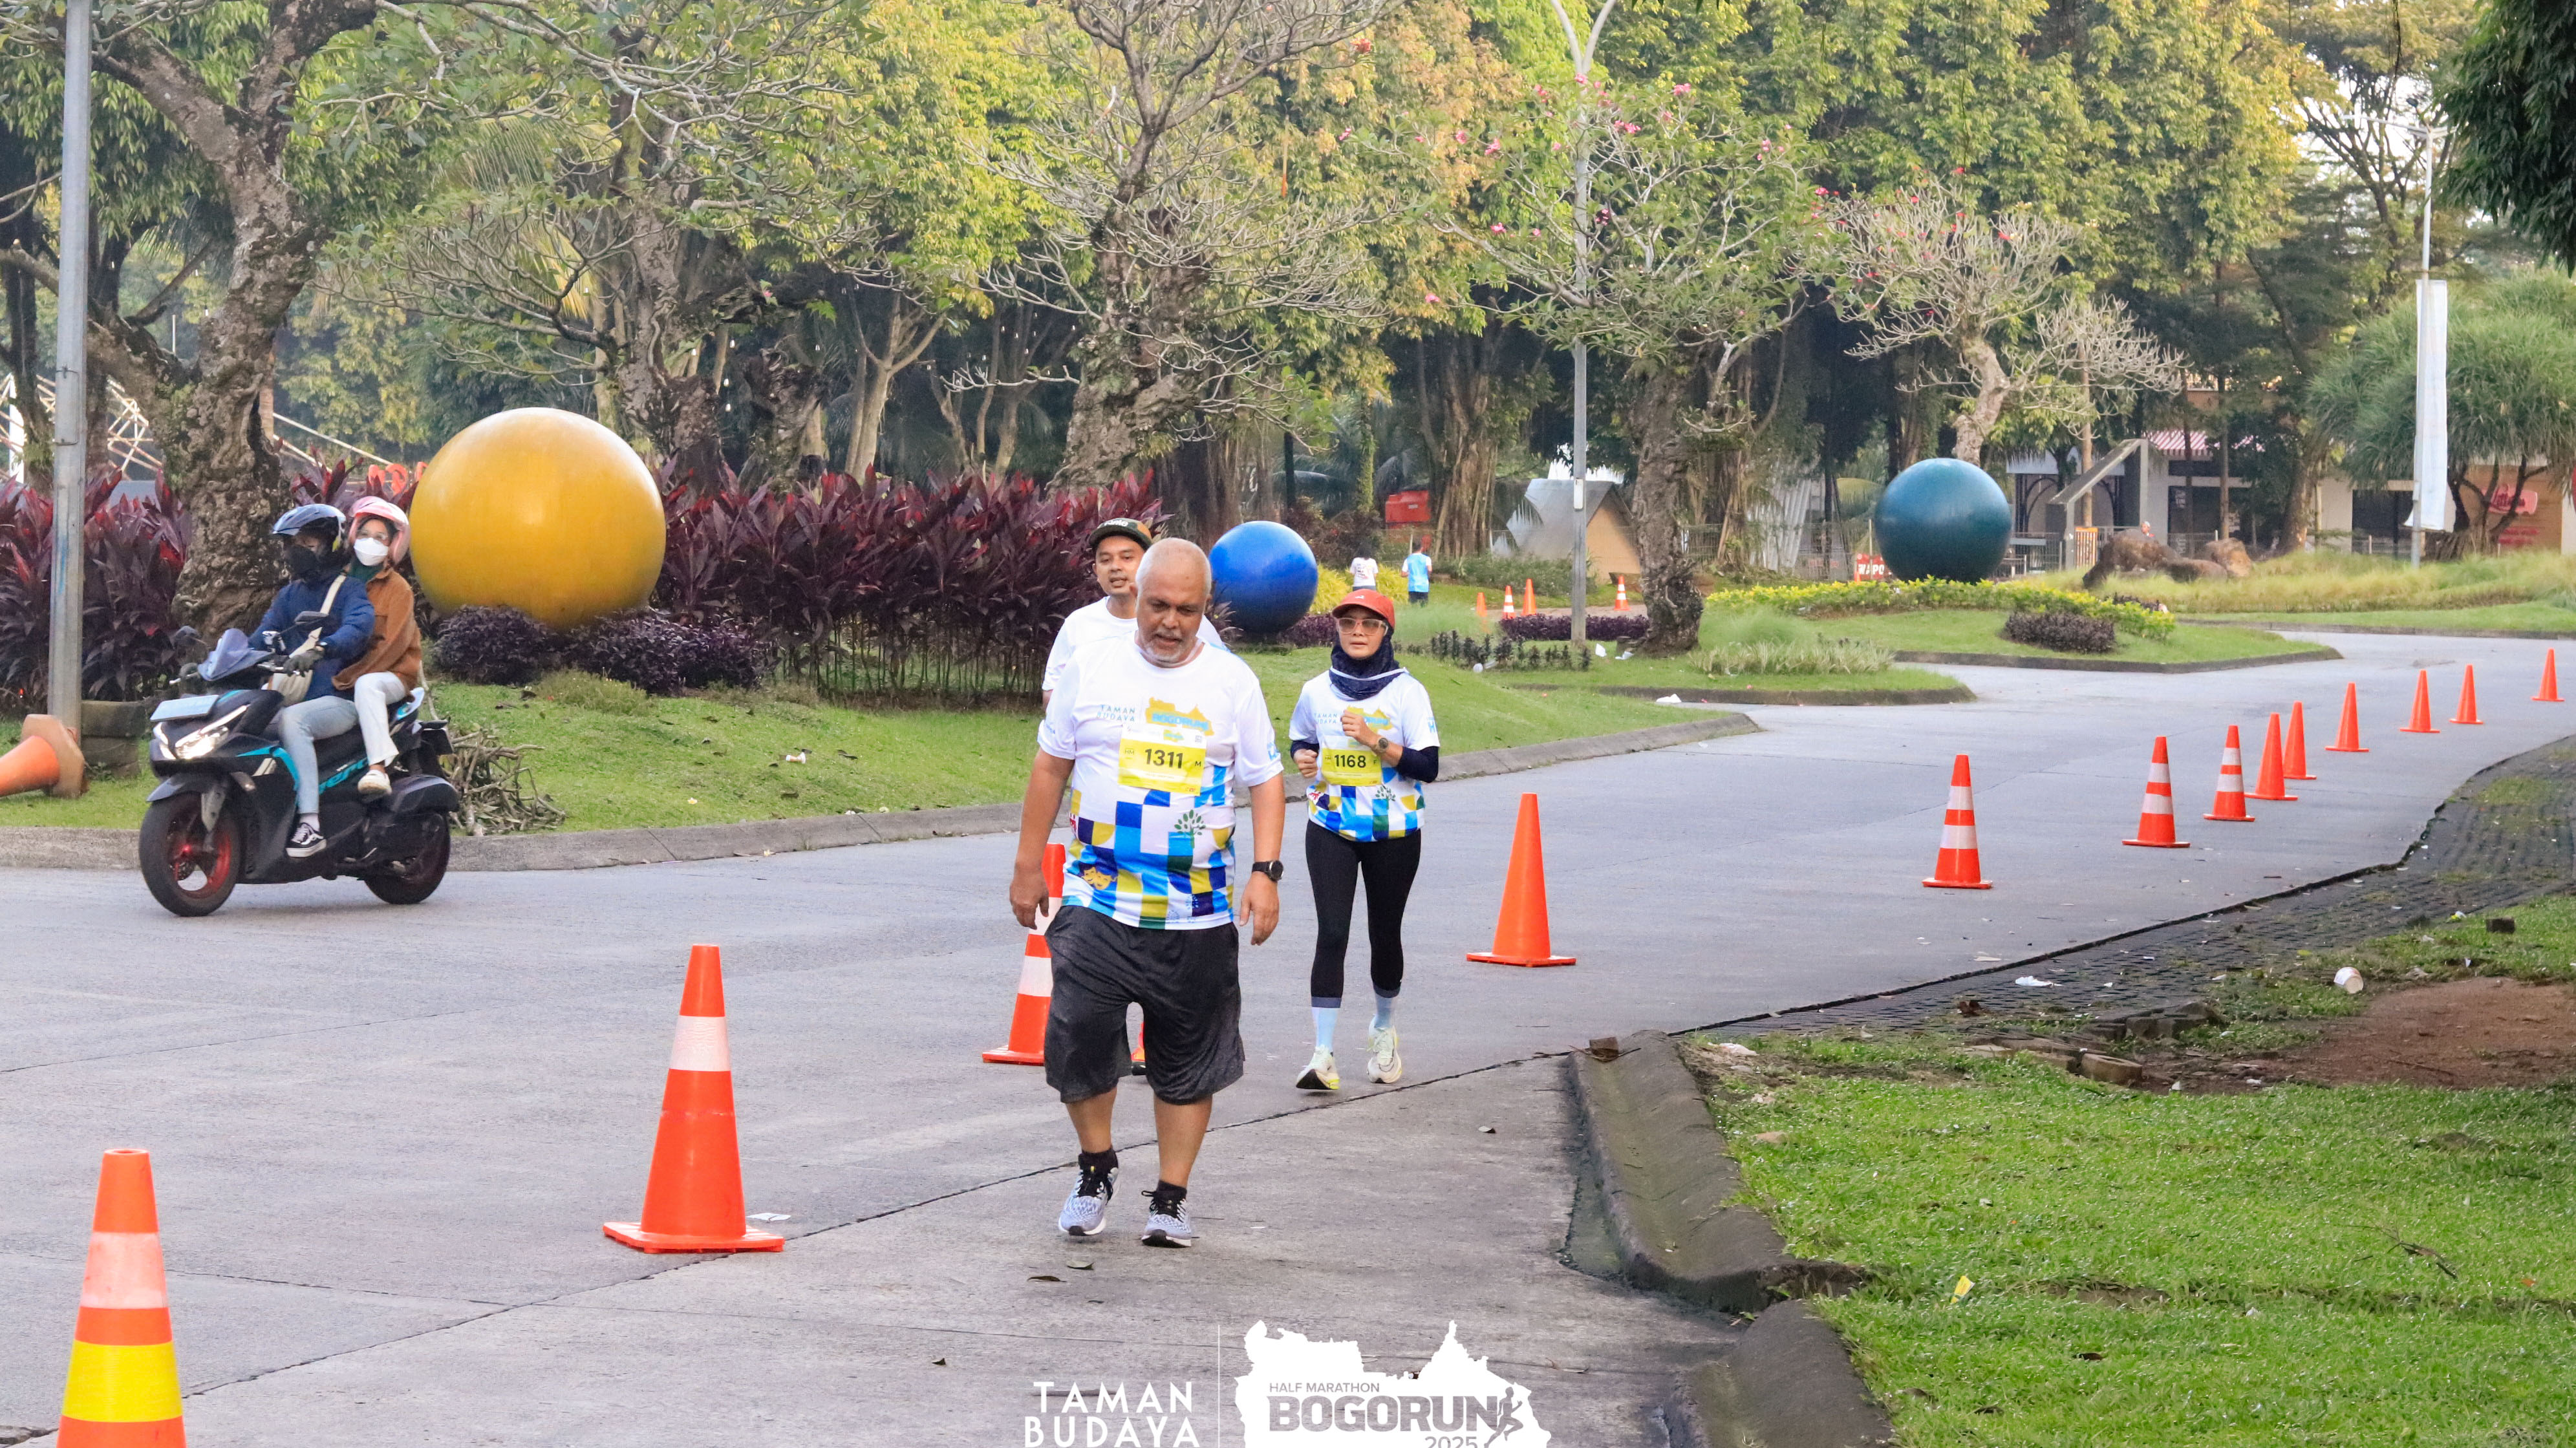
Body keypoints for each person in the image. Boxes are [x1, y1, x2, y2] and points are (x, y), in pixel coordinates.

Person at [1010, 538, 1285, 1249]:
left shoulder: (1232, 682)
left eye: (1186, 610)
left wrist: (1266, 871)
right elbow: (1051, 765)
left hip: (1197, 910)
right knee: (1078, 1035)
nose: (1170, 621)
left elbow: (1265, 779)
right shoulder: (1093, 665)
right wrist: (1027, 865)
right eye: (1158, 605)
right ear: (1138, 598)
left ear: (1205, 608)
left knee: (1189, 1057)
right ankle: (1095, 1167)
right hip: (1097, 896)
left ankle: (1171, 1197)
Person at [1287, 588, 1438, 1091]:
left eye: (1369, 624)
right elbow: (1302, 738)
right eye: (1348, 622)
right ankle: (1322, 1055)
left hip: (1394, 829)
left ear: (1385, 633)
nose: (1357, 631)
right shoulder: (1316, 691)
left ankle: (1383, 1027)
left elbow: (1428, 766)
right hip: (1330, 824)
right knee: (1332, 933)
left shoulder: (1407, 693)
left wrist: (1376, 740)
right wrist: (1303, 756)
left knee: (1384, 934)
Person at [256, 504, 376, 858]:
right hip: (290, 697)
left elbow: (360, 626)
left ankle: (311, 825)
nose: (295, 552)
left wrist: (323, 648)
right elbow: (259, 638)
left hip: (338, 699)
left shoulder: (350, 590)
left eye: (306, 543)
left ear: (331, 545)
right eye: (290, 544)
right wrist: (212, 662)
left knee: (294, 721)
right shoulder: (289, 596)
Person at [1042, 518, 1225, 707]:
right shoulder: (1079, 624)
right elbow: (1052, 692)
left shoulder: (1189, 625)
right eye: (1105, 560)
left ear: (1149, 564)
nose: (1115, 567)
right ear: (1096, 570)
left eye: (1127, 558)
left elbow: (1222, 681)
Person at [336, 497, 424, 801]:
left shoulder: (399, 589)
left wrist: (347, 677)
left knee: (368, 685)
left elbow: (393, 646)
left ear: (392, 545)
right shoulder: (339, 580)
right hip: (344, 672)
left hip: (392, 673)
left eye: (380, 537)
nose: (370, 542)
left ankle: (378, 769)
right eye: (364, 534)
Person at [1401, 540, 1432, 606]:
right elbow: (1430, 569)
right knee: (1424, 606)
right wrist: (1428, 576)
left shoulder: (1408, 559)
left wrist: (1409, 573)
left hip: (1413, 586)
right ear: (1422, 548)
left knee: (1413, 606)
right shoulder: (1427, 559)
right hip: (1423, 586)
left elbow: (1403, 574)